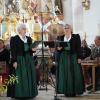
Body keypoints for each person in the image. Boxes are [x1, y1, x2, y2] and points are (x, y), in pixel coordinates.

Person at [8, 23, 38, 99]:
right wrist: (14, 61)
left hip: (28, 60)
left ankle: (29, 93)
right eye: (23, 28)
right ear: (19, 30)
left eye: (25, 28)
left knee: (29, 76)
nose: (25, 30)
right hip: (19, 60)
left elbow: (31, 51)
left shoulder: (29, 39)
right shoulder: (14, 39)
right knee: (20, 77)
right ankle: (19, 94)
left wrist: (33, 50)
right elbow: (13, 51)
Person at [56, 24, 85, 97]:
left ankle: (74, 91)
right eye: (65, 28)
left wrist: (79, 57)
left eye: (68, 28)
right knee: (64, 74)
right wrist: (58, 49)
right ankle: (65, 91)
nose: (66, 29)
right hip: (64, 58)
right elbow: (58, 48)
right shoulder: (60, 37)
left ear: (71, 29)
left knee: (74, 73)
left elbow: (79, 48)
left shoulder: (76, 37)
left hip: (73, 57)